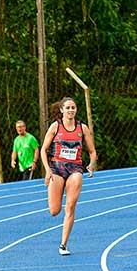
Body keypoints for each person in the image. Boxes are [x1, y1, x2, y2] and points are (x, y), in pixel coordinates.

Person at [41, 97, 97, 256]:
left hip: (75, 169)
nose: (71, 110)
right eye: (68, 108)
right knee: (54, 210)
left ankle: (63, 244)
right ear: (62, 110)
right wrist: (47, 170)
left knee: (70, 206)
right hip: (57, 168)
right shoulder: (55, 126)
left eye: (73, 107)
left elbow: (92, 152)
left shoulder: (82, 128)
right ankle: (55, 196)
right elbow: (44, 150)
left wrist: (91, 165)